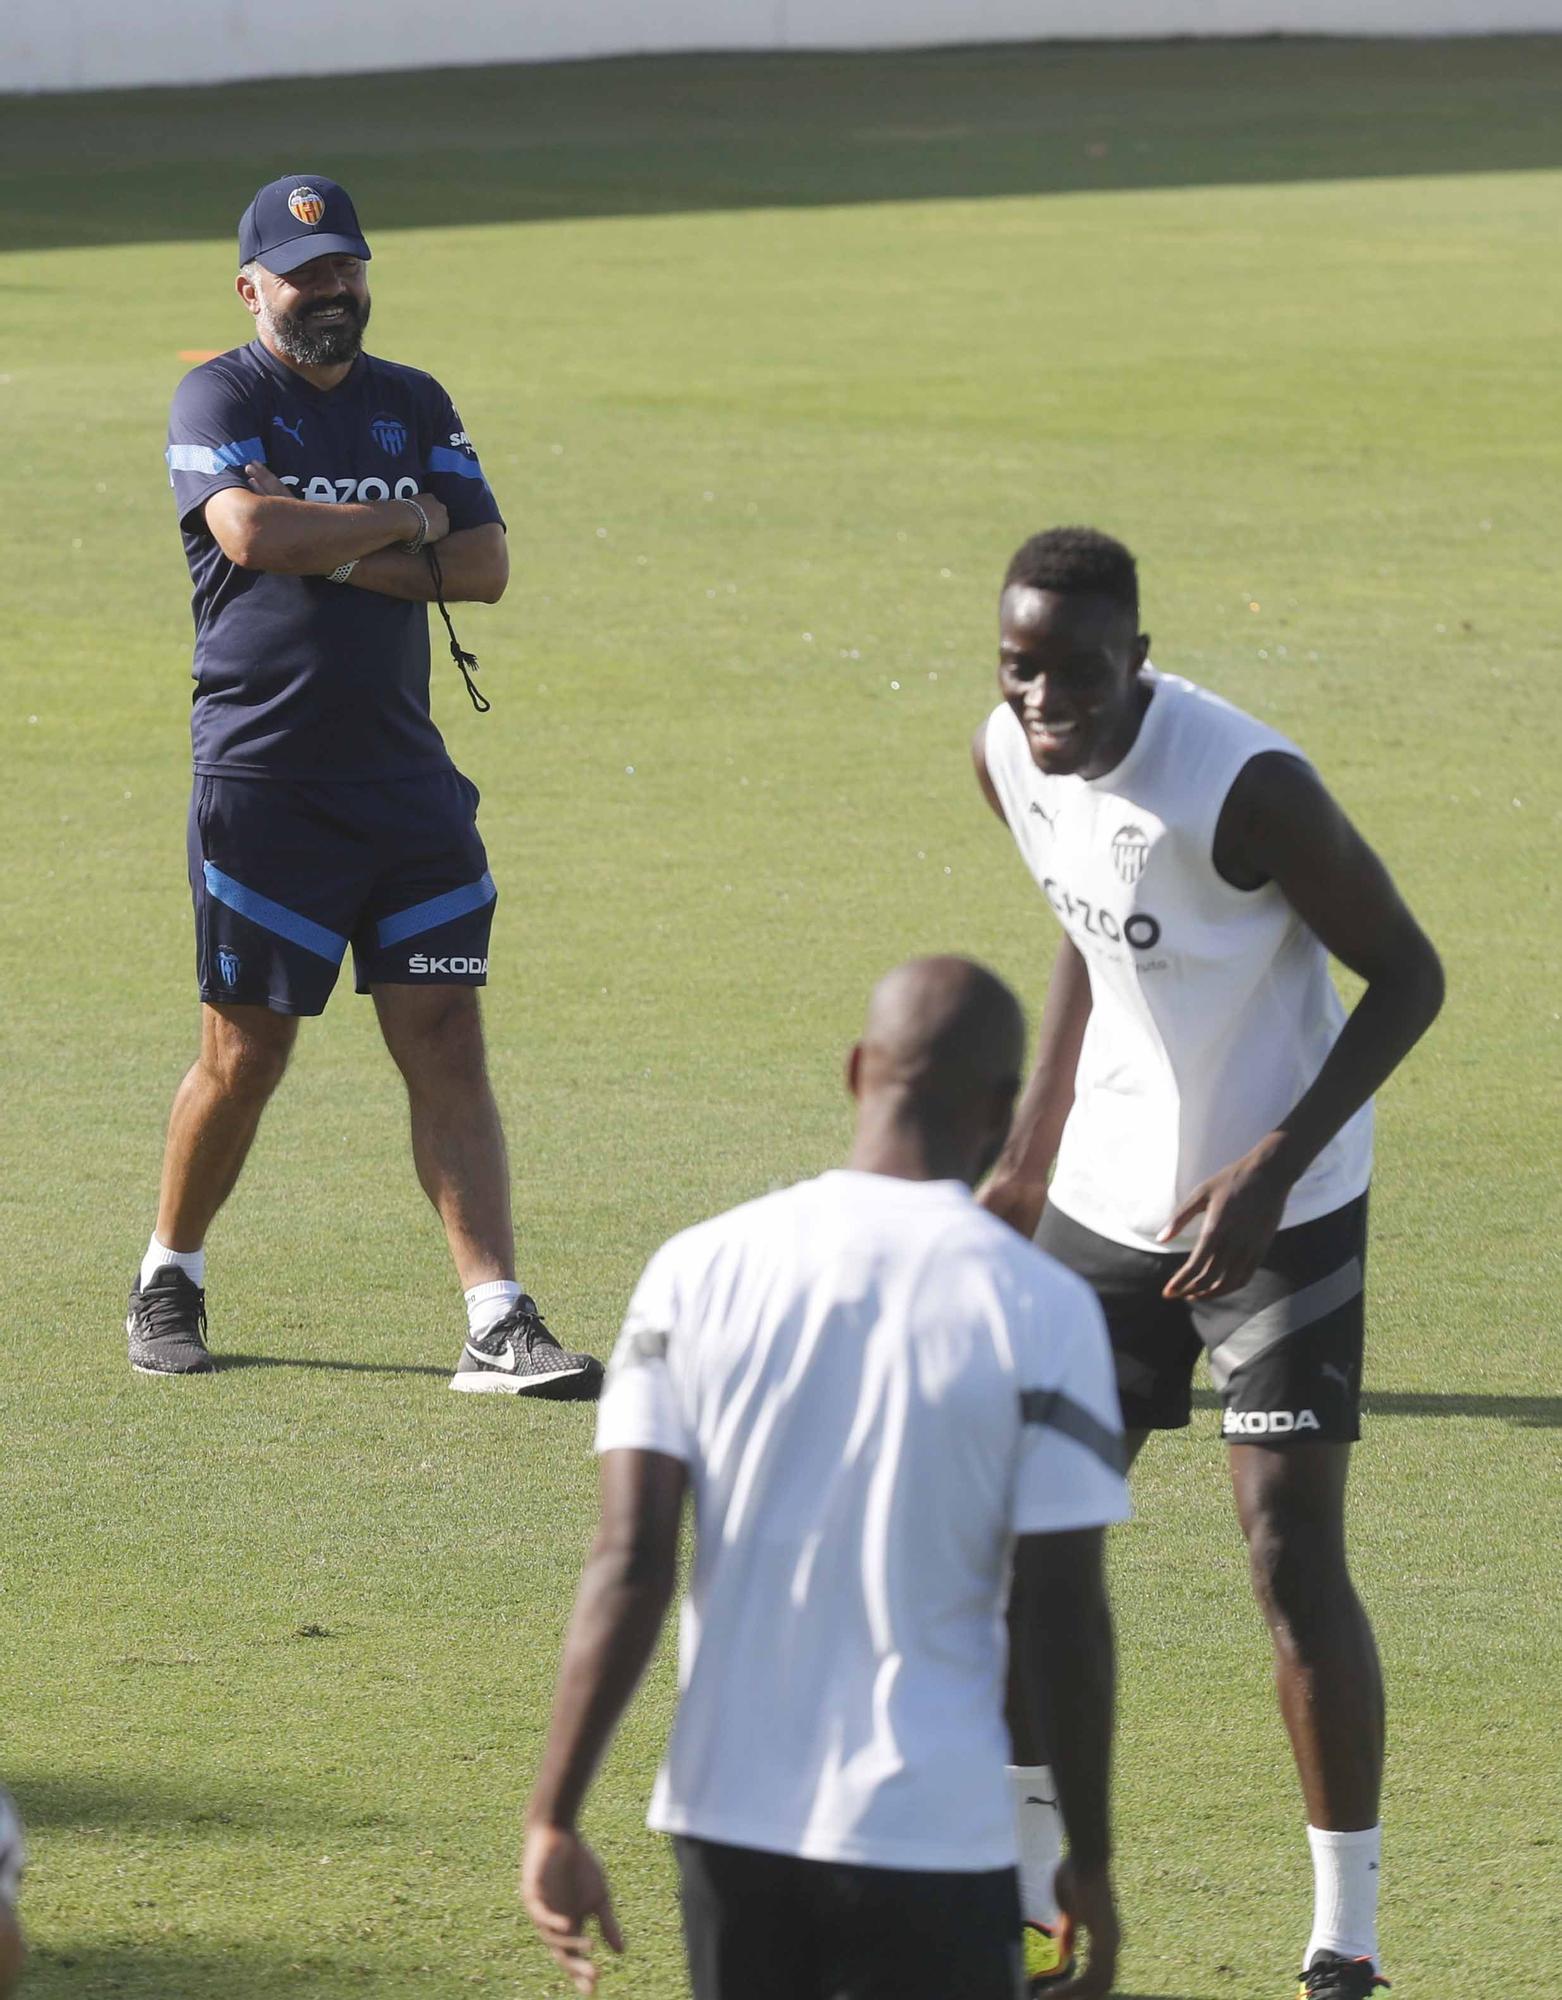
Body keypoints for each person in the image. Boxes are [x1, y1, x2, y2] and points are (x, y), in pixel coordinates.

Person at [972, 527, 1444, 2000]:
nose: (1045, 702)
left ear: (1141, 659)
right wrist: (1031, 1149)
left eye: (1078, 674)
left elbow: (1410, 976)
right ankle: (1042, 1911)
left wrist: (1273, 1164)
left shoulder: (1247, 788)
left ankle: (1343, 1940)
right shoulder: (1004, 752)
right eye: (1021, 667)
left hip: (1276, 1212)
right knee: (1024, 1549)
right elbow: (1078, 928)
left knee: (1288, 1555)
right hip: (1107, 1208)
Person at [521, 957, 1132, 1999]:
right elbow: (1058, 1609)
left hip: (726, 1822)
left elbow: (628, 1560)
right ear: (997, 1109)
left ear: (856, 1071)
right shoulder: (1041, 1306)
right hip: (935, 1831)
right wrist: (1086, 1854)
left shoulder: (696, 1268)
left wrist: (554, 1813)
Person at [131, 173, 601, 1398]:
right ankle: (168, 1271)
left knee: (446, 1035)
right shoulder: (220, 392)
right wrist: (399, 523)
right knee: (246, 1053)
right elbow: (249, 538)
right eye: (305, 275)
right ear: (251, 290)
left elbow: (486, 565)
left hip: (404, 781)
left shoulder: (413, 398)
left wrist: (336, 543)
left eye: (346, 268)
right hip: (265, 781)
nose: (332, 291)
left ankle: (495, 1320)